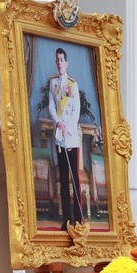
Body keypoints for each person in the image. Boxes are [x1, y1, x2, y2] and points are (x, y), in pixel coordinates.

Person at [48, 47, 83, 229]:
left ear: (67, 63)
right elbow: (52, 106)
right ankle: (67, 219)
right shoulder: (53, 83)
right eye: (57, 60)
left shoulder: (73, 84)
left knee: (74, 178)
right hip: (59, 136)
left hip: (70, 137)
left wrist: (66, 128)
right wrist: (57, 123)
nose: (59, 63)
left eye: (62, 59)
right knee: (62, 177)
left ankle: (78, 218)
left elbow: (75, 110)